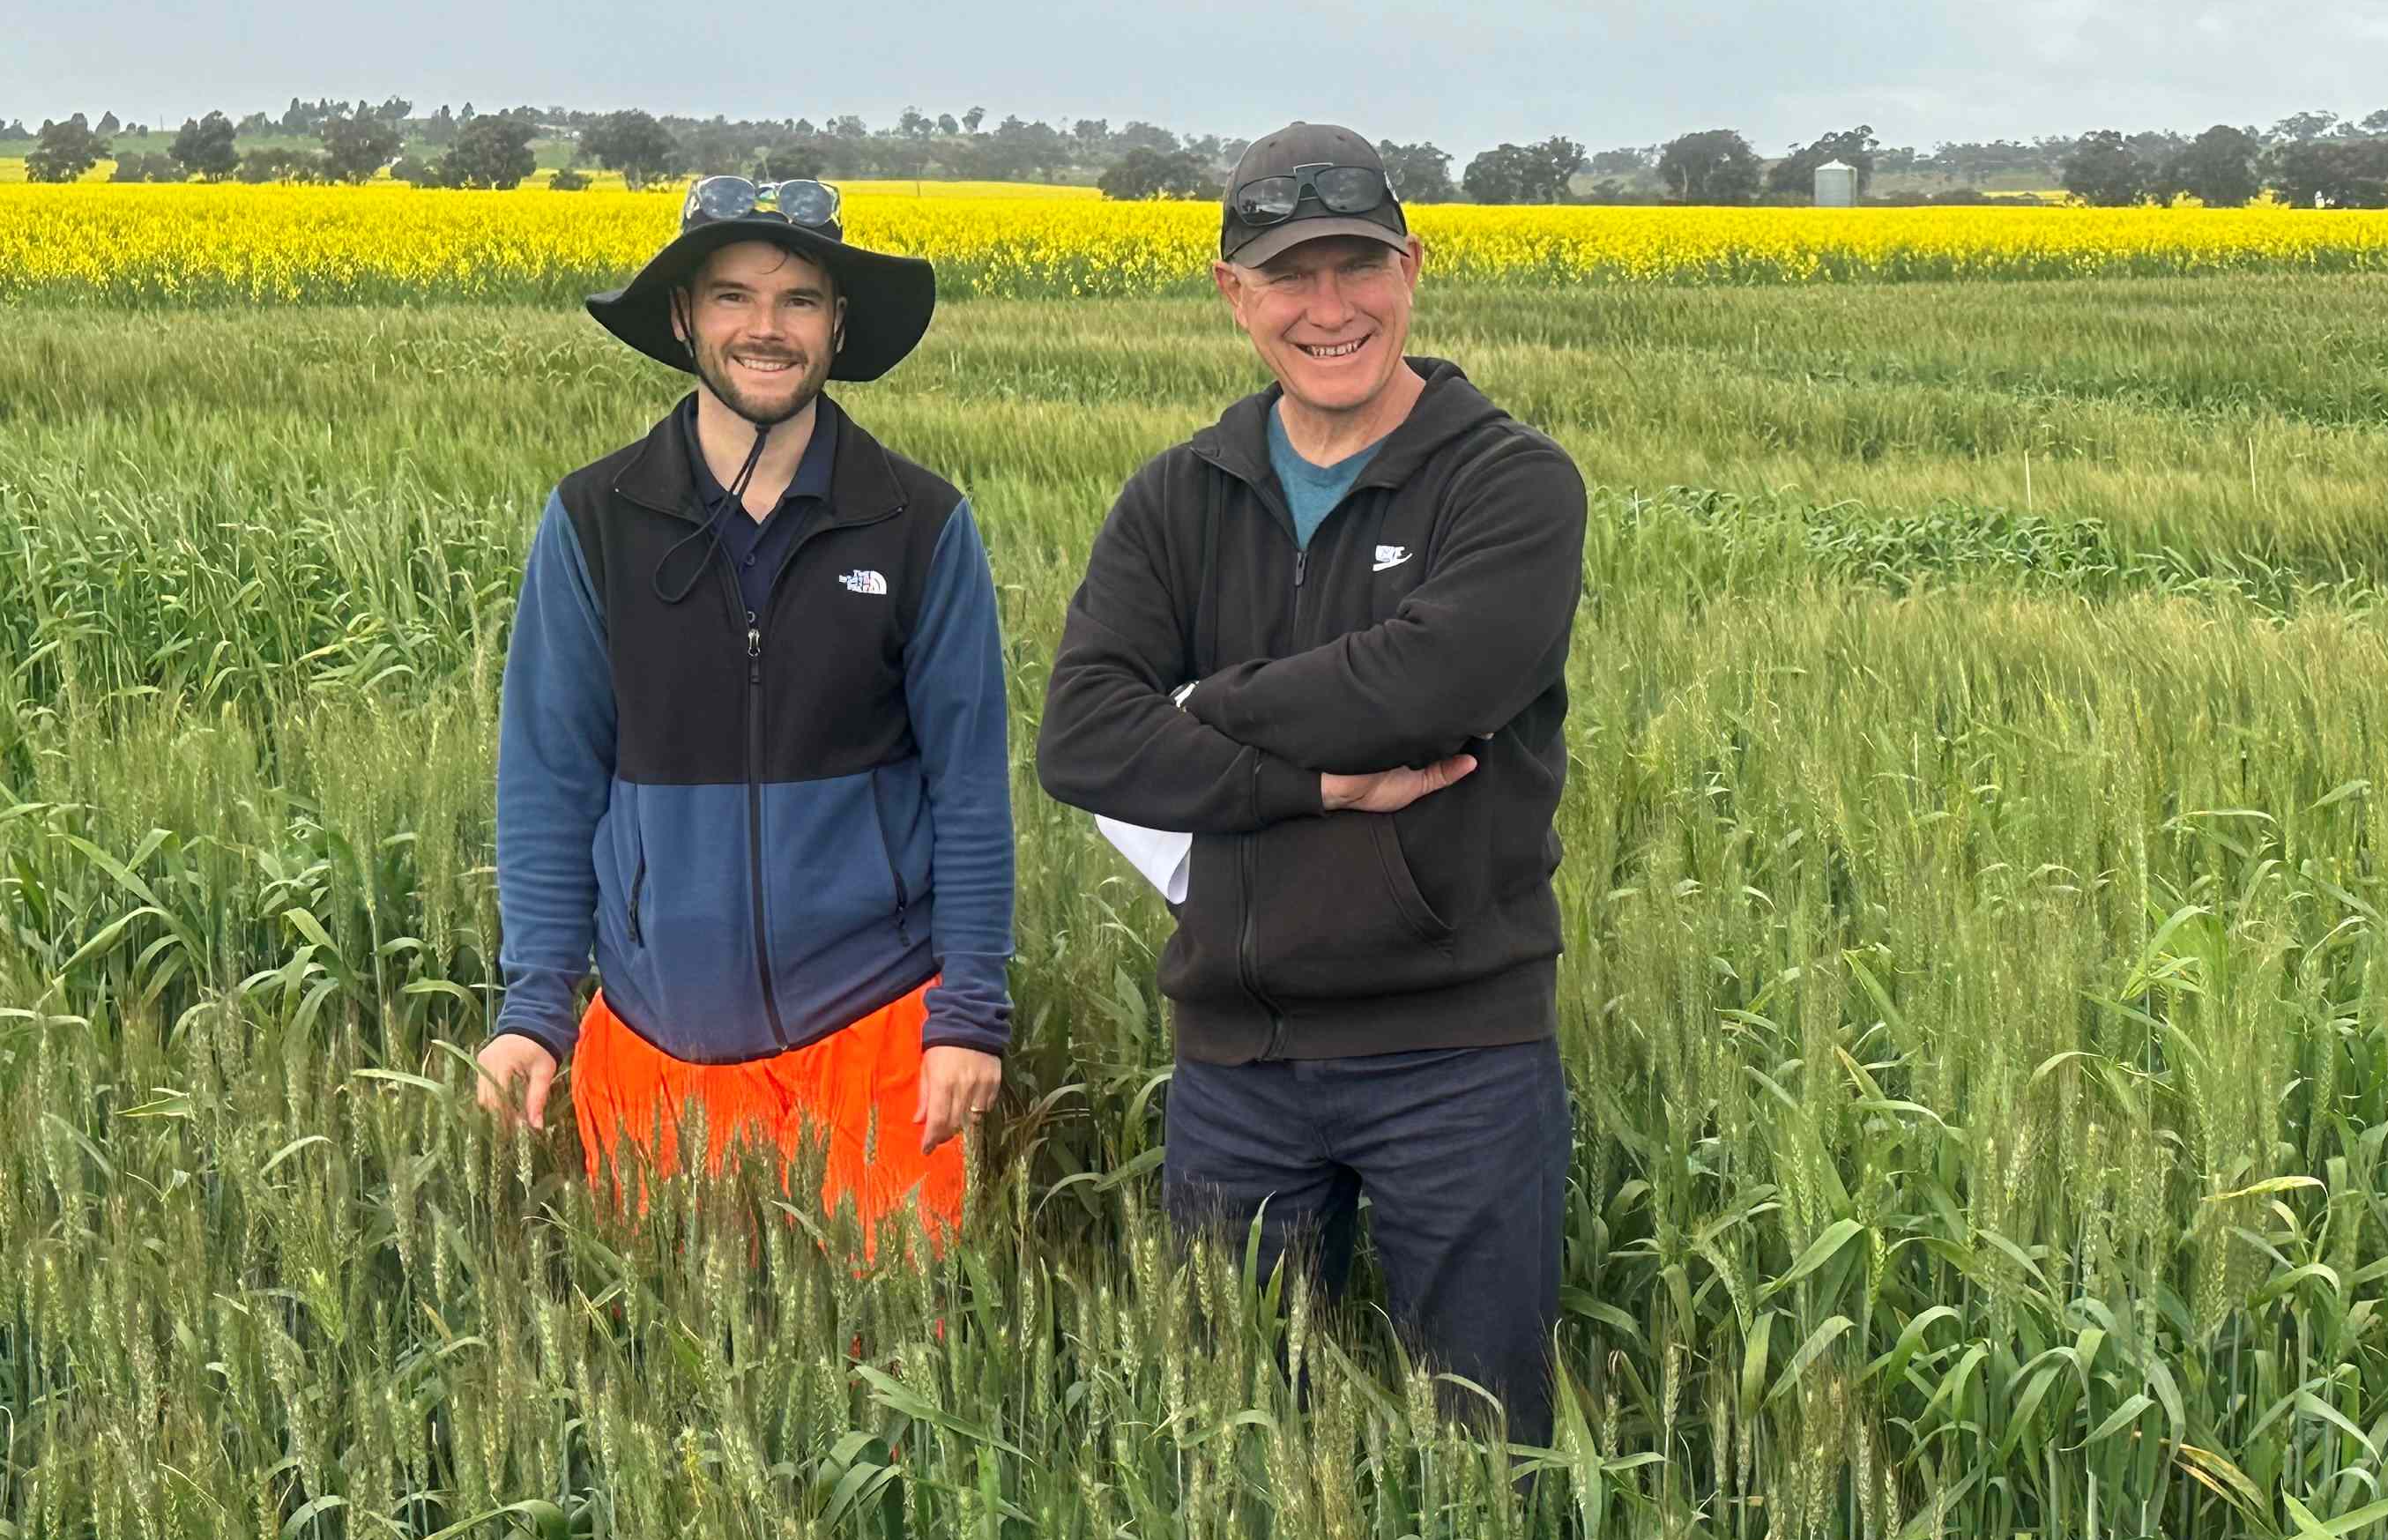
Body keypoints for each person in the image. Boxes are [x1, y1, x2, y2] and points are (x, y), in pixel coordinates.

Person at [1037, 124, 1587, 1439]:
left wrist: (1201, 707)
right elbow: (1079, 738)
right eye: (1290, 275)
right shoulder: (1177, 498)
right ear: (1236, 294)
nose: (1328, 310)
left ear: (1413, 265)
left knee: (1486, 1462)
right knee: (1229, 1458)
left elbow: (1432, 690)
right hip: (1238, 1060)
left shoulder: (1511, 483)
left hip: (1459, 1055)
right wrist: (1324, 787)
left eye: (1357, 267)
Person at [472, 176, 1014, 1243]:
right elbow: (549, 778)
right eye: (731, 297)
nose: (765, 329)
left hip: (880, 1034)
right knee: (674, 1366)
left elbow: (970, 789)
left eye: (799, 300)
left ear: (838, 324)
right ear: (683, 319)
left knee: (896, 1362)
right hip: (652, 1036)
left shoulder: (920, 523)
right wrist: (536, 1006)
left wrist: (971, 1014)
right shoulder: (593, 519)